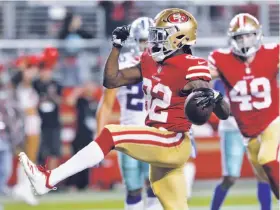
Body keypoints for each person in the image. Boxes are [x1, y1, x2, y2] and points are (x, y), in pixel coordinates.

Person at [19, 8, 230, 210]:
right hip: (158, 140)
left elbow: (217, 109)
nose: (154, 40)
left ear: (178, 38)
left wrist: (214, 99)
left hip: (172, 140)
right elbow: (111, 80)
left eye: (160, 35)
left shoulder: (193, 66)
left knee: (111, 133)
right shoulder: (149, 60)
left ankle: (48, 179)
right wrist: (116, 47)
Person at [208, 13, 279, 202]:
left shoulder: (272, 53)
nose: (245, 41)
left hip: (271, 121)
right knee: (258, 176)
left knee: (267, 159)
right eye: (240, 37)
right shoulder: (221, 60)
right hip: (243, 131)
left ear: (258, 35)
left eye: (248, 35)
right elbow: (201, 78)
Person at [96, 17, 162, 210]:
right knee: (133, 189)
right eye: (143, 41)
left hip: (156, 133)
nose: (148, 46)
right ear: (134, 41)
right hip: (130, 134)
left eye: (151, 41)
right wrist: (100, 141)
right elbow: (106, 105)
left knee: (156, 186)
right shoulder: (122, 64)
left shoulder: (164, 63)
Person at [210, 79, 271, 210]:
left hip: (254, 130)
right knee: (230, 177)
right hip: (232, 129)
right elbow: (220, 106)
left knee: (263, 175)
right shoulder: (222, 81)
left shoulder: (254, 76)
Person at [12, 55, 41, 205]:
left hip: (31, 123)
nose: (34, 71)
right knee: (28, 158)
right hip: (27, 124)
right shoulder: (20, 86)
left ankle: (22, 186)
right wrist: (23, 68)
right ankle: (25, 188)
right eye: (31, 68)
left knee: (28, 158)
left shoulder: (31, 86)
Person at [66, 81, 100, 190]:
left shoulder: (96, 102)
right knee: (76, 159)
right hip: (79, 134)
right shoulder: (81, 100)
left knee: (88, 161)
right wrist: (78, 91)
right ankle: (73, 184)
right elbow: (69, 101)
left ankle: (85, 184)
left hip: (90, 136)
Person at [33, 47, 62, 170]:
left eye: (48, 70)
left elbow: (61, 101)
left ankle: (51, 181)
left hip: (54, 122)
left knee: (54, 152)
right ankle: (38, 179)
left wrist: (52, 96)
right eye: (44, 70)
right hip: (39, 123)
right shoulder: (35, 84)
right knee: (39, 153)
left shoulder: (56, 84)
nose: (46, 73)